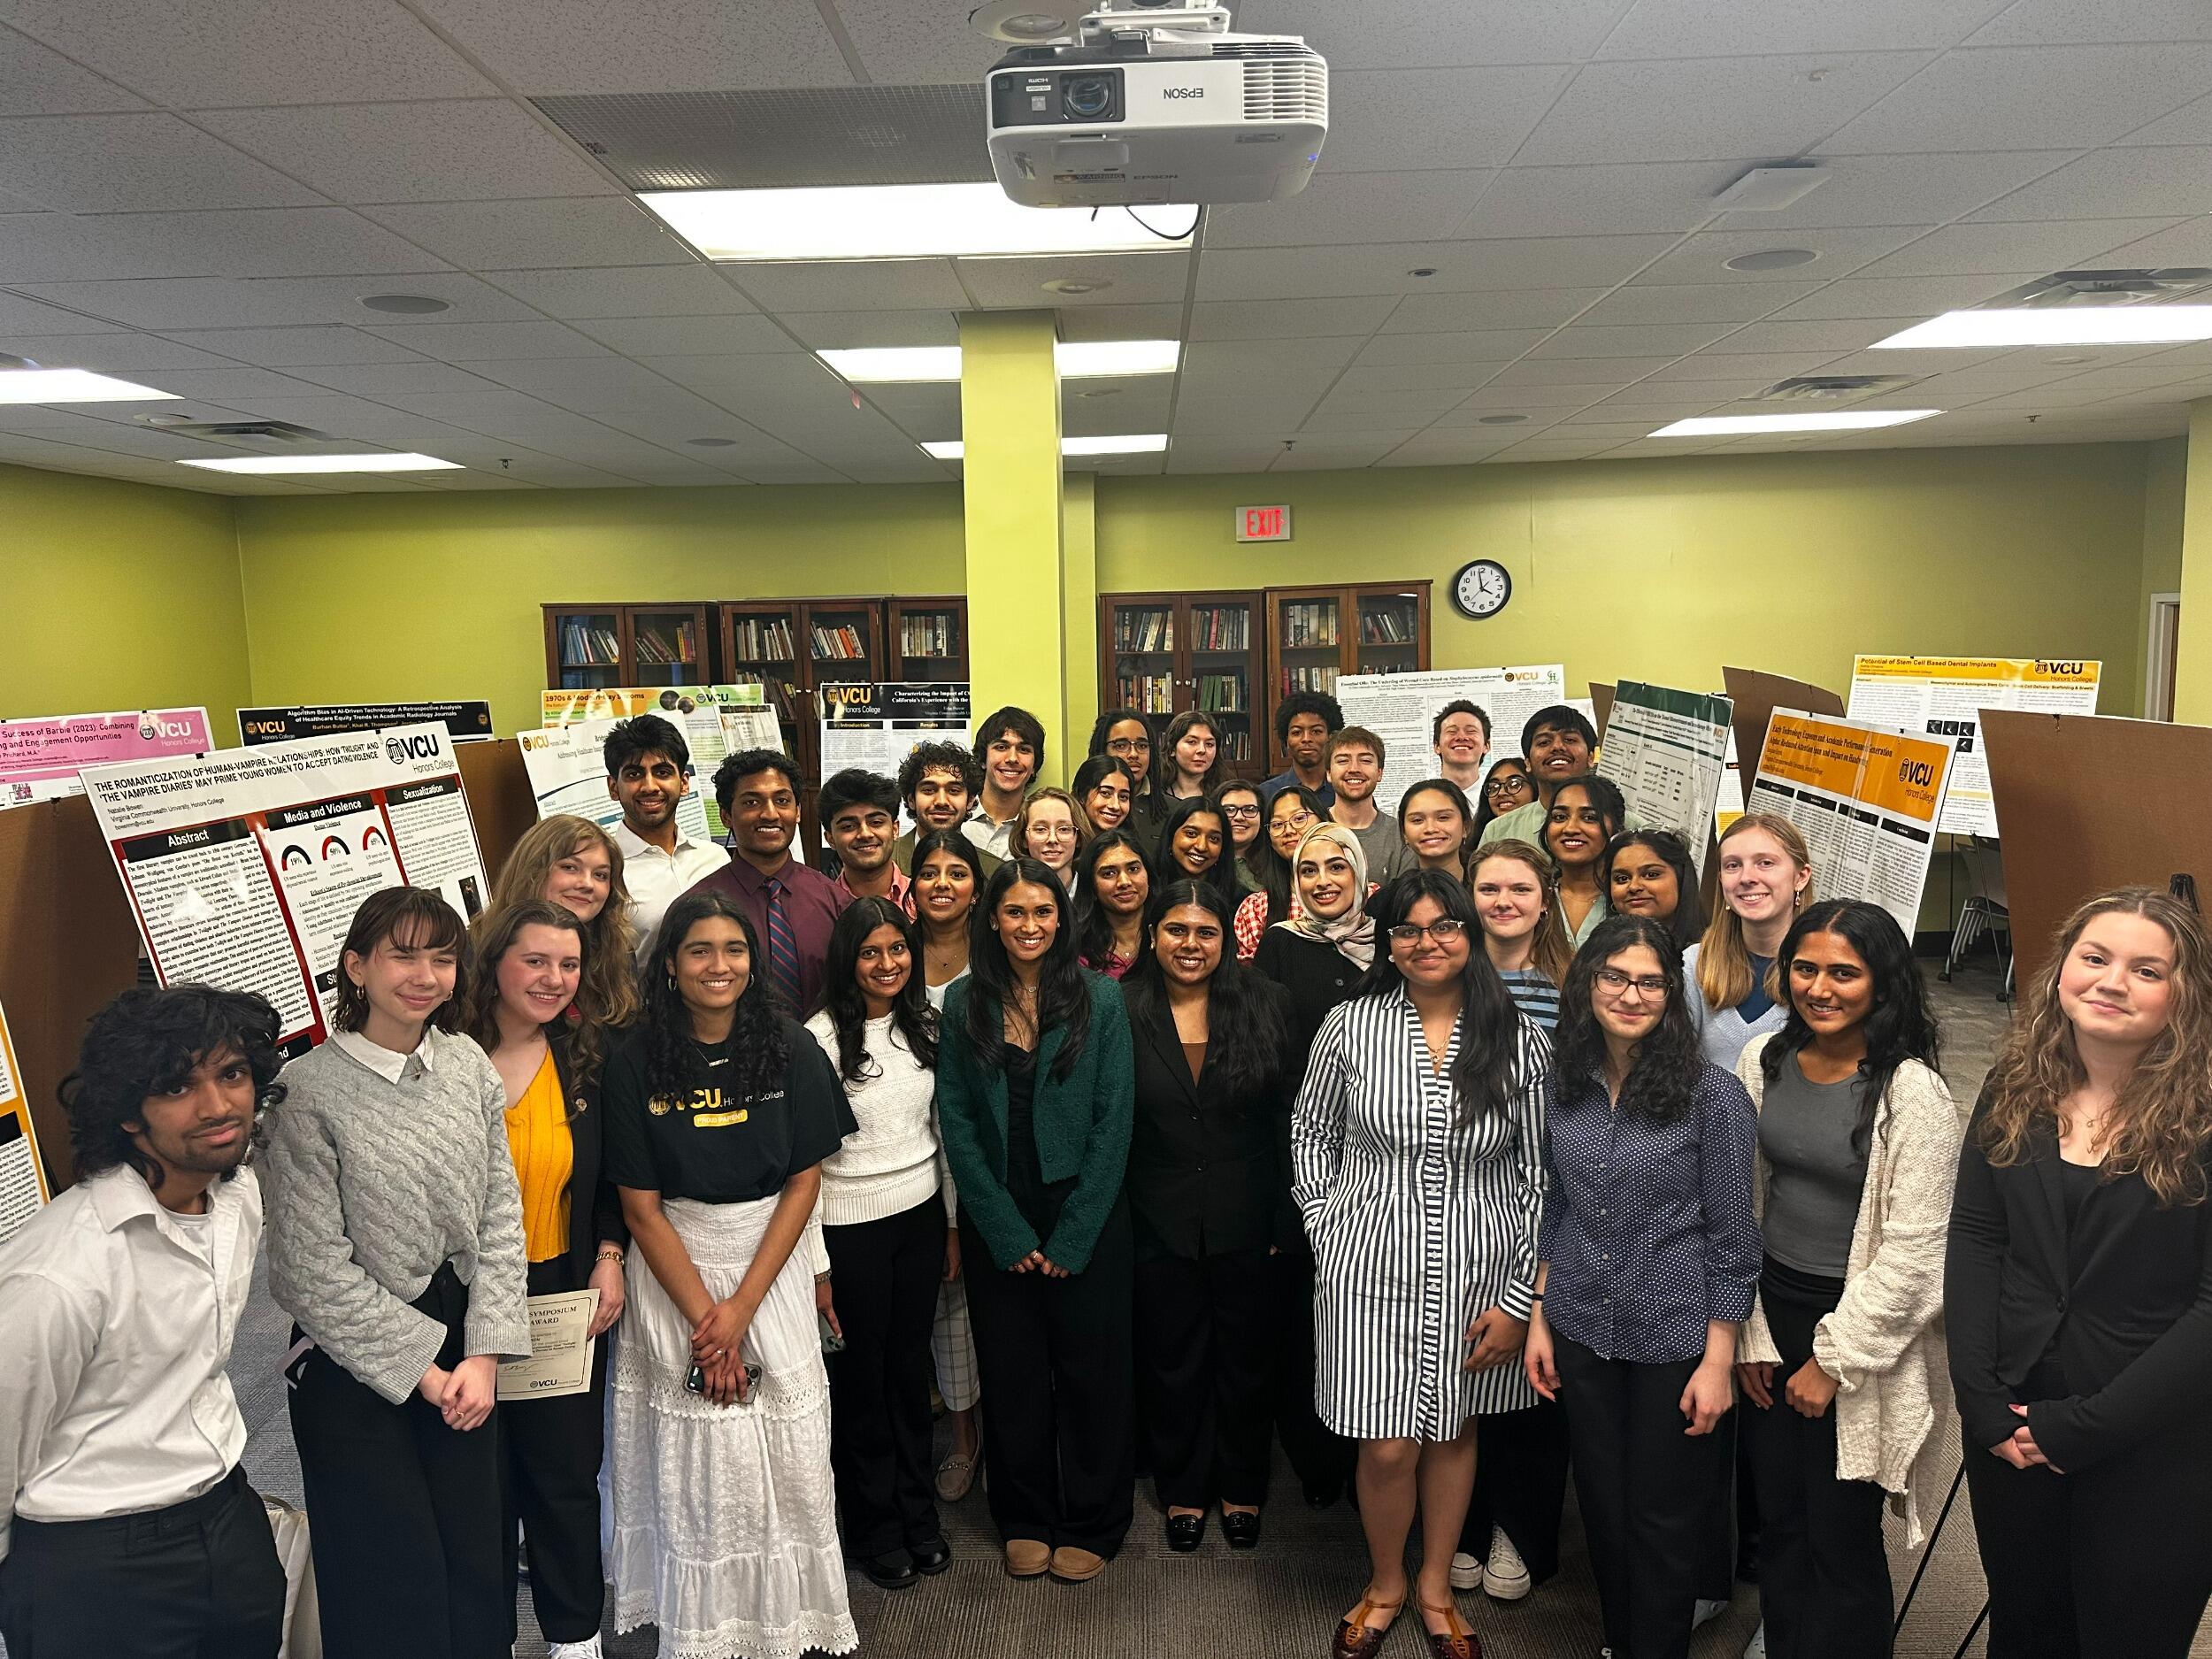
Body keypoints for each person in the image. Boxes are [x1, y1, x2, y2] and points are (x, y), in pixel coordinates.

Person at [262, 887, 531, 1659]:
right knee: (387, 1571)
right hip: (355, 1360)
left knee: (477, 1556)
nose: (425, 974)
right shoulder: (307, 1089)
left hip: (466, 1341)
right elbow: (308, 1268)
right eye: (402, 954)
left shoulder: (466, 1062)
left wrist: (482, 1356)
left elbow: (498, 1214)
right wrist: (427, 1371)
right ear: (357, 966)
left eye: (441, 956)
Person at [1946, 887, 2212, 1659]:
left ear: (2185, 994)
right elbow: (1976, 1236)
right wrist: (1982, 1401)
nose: (2111, 980)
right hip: (2014, 1421)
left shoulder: (2203, 1117)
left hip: (2156, 1436)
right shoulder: (2013, 1087)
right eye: (2094, 958)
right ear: (2062, 970)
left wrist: (2084, 1427)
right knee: (2027, 1626)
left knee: (2126, 1636)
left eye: (2146, 969)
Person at [1293, 870, 1549, 1659]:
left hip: (1482, 1273)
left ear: (1470, 934)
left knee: (1452, 1429)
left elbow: (1542, 1173)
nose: (1427, 941)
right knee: (1385, 1443)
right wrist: (1327, 1226)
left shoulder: (1519, 1037)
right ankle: (1385, 1584)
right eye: (1408, 928)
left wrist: (1517, 1299)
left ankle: (1436, 1586)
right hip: (1367, 1263)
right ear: (1389, 941)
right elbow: (1310, 1134)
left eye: (1445, 926)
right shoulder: (1350, 1025)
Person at [601, 892, 859, 1657]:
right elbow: (640, 1210)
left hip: (765, 1265)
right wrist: (706, 1324)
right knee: (703, 1461)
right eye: (699, 951)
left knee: (789, 1451)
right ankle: (705, 1627)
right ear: (670, 967)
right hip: (673, 1264)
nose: (720, 965)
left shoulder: (789, 1045)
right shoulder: (634, 1059)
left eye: (734, 949)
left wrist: (741, 1307)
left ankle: (785, 1619)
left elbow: (805, 1181)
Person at [0, 986, 289, 1659]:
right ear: (128, 1113)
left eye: (232, 1073)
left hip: (227, 1517)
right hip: (94, 1562)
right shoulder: (58, 1275)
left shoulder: (235, 1197)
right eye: (178, 1086)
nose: (218, 1105)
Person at [1525, 914, 1761, 1659]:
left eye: (1650, 981)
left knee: (1662, 1517)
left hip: (1676, 1336)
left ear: (1672, 992)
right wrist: (1538, 1316)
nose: (1631, 994)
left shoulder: (1713, 1097)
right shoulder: (1562, 1085)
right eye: (1615, 977)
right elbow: (1553, 1206)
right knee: (1603, 1506)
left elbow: (1735, 1238)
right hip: (1580, 1321)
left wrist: (1719, 1359)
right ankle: (1624, 1642)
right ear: (1589, 983)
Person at [1732, 899, 1956, 1659]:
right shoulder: (1760, 1062)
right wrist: (1753, 1333)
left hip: (1857, 1332)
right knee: (1782, 1523)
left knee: (1840, 1533)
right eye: (1805, 967)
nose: (1819, 986)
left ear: (1882, 982)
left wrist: (1832, 1363)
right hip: (1771, 1314)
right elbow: (1740, 1208)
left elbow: (1918, 1257)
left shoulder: (1911, 1092)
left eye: (1843, 972)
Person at [936, 859, 1138, 1585]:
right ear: (993, 919)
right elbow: (956, 1120)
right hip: (1002, 1211)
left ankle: (1093, 1517)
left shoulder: (1101, 999)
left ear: (1062, 919)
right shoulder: (963, 1001)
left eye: (1043, 913)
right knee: (1012, 1370)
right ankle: (1023, 1515)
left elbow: (1115, 1123)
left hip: (1086, 1208)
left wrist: (1074, 1232)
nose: (1030, 925)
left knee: (1092, 1372)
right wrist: (1004, 1228)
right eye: (1015, 912)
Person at [463, 900, 629, 1659]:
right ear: (495, 959)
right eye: (535, 961)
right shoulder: (445, 1054)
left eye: (568, 964)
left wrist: (609, 1251)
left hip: (563, 1286)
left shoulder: (588, 1053)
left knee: (563, 1473)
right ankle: (482, 1635)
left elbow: (611, 1176)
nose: (554, 979)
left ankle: (575, 1636)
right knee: (477, 1481)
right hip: (458, 1296)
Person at [1123, 879, 1294, 1553]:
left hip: (1250, 1215)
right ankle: (1184, 1488)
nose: (1190, 945)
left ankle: (1242, 1484)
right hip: (1155, 1216)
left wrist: (1288, 1215)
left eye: (1205, 932)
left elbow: (1290, 1119)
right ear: (1153, 935)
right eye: (1176, 930)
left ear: (1226, 940)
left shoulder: (1267, 1003)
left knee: (1247, 1360)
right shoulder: (1122, 1006)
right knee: (1173, 1361)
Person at [807, 898, 954, 1589]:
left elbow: (944, 1132)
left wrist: (951, 1221)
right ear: (849, 960)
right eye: (872, 952)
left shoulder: (927, 1024)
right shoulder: (818, 1040)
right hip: (848, 1230)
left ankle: (920, 1517)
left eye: (898, 949)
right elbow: (800, 1167)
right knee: (861, 1386)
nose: (888, 963)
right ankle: (875, 1529)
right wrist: (817, 1265)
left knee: (908, 1376)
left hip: (921, 1219)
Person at [1455, 842, 1575, 1601]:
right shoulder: (1448, 974)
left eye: (1519, 887)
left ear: (1544, 895)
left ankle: (1520, 1529)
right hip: (1465, 1198)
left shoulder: (1574, 981)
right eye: (1489, 887)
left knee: (1532, 1370)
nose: (1503, 900)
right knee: (1468, 1366)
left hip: (1550, 1186)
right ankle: (1462, 1522)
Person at [1250, 821, 1374, 1510]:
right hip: (1300, 1155)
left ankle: (1371, 1457)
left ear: (1360, 873)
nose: (1324, 879)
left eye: (1337, 866)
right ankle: (1318, 1461)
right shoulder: (1278, 946)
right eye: (1309, 869)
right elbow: (1267, 1068)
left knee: (1368, 1315)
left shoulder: (1388, 944)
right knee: (1303, 1317)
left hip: (1382, 1159)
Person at [906, 827, 990, 1501]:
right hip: (915, 1151)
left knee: (984, 1305)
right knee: (943, 1307)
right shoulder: (893, 955)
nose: (942, 882)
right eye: (928, 871)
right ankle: (963, 1440)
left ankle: (1003, 1428)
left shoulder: (996, 956)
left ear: (975, 886)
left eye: (956, 871)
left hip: (988, 1151)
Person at [685, 749, 851, 1018]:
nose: (770, 814)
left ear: (797, 811)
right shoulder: (696, 906)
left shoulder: (835, 901)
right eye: (752, 802)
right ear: (726, 815)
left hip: (824, 1054)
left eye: (782, 800)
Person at [486, 812, 640, 1030]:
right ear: (533, 870)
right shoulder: (477, 949)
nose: (587, 884)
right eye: (570, 867)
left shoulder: (618, 951)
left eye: (600, 875)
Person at [1686, 813, 1816, 1071]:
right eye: (1733, 865)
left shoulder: (1825, 972)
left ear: (1800, 877)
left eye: (1765, 863)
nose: (1747, 877)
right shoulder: (1694, 964)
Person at [602, 714, 728, 958]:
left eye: (662, 772)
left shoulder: (715, 859)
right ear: (613, 787)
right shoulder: (604, 870)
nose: (649, 786)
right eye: (634, 774)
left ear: (683, 783)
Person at [1479, 707, 1633, 851]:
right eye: (1544, 742)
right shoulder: (1499, 832)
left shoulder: (1630, 825)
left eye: (1570, 740)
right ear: (1528, 762)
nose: (1557, 747)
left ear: (1591, 757)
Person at [1232, 784, 1325, 959]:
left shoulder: (1365, 895)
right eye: (1277, 824)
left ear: (1324, 821)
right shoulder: (1255, 909)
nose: (1288, 830)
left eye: (1299, 818)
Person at [892, 741, 998, 879]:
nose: (941, 801)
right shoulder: (885, 860)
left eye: (953, 791)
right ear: (911, 800)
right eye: (929, 790)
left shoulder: (993, 871)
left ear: (970, 801)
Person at [1544, 775, 1626, 951]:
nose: (1570, 828)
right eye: (1559, 817)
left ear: (1617, 828)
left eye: (1589, 817)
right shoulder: (1533, 894)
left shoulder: (1630, 898)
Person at [1327, 726, 1410, 884]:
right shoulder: (1313, 828)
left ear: (1380, 772)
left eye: (1365, 760)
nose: (1354, 769)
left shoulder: (1400, 835)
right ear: (1328, 773)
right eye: (1343, 761)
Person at [1605, 828, 1707, 956]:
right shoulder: (1598, 955)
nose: (1634, 887)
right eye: (1622, 879)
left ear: (1681, 879)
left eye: (1651, 874)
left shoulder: (1710, 958)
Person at [821, 767, 909, 909]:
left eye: (876, 823)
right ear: (830, 838)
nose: (865, 834)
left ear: (895, 829)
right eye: (849, 826)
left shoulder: (921, 900)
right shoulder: (821, 908)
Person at [1073, 827, 1153, 979]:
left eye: (1133, 869)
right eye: (1109, 873)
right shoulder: (1077, 950)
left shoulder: (1171, 934)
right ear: (1092, 885)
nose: (1124, 882)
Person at [969, 705, 1045, 860]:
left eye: (1024, 749)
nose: (1012, 758)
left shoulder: (1040, 830)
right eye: (1001, 747)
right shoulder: (956, 819)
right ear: (983, 759)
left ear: (1034, 767)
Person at [1087, 708, 1163, 849]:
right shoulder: (1081, 807)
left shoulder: (1170, 810)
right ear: (1102, 750)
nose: (1134, 754)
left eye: (1142, 746)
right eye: (1121, 745)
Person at [1154, 793, 1240, 908]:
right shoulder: (1147, 891)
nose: (1201, 846)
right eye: (1191, 834)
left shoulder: (1240, 901)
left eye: (1214, 839)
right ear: (1170, 837)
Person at [1264, 688, 1342, 809]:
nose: (1306, 739)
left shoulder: (1345, 790)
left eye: (1316, 731)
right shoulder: (1266, 794)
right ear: (1286, 739)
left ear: (1331, 737)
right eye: (1297, 732)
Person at [1010, 787, 1089, 894]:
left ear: (1078, 838)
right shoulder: (1008, 895)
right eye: (1040, 829)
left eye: (1064, 829)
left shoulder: (1097, 896)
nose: (1052, 839)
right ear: (1023, 839)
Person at [1398, 777, 1477, 880]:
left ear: (1465, 827)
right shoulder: (1393, 895)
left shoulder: (1488, 886)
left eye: (1443, 818)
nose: (1430, 829)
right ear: (1404, 832)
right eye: (1417, 820)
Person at [1158, 709, 1226, 803]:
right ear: (1172, 748)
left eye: (1209, 744)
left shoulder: (1225, 796)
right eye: (1192, 742)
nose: (1202, 750)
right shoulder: (1156, 794)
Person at [1217, 779, 1269, 895]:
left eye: (1249, 810)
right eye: (1229, 810)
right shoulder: (1204, 861)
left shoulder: (1275, 863)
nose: (1239, 817)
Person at [1432, 701, 1492, 796]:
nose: (1461, 737)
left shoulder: (1498, 799)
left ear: (1486, 745)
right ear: (1437, 746)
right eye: (1452, 731)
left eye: (1471, 731)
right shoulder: (1417, 802)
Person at [1072, 753, 1137, 840]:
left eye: (1123, 797)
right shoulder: (1062, 846)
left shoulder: (1129, 850)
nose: (1115, 806)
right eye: (1105, 793)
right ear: (1082, 795)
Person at [1471, 757, 1536, 841]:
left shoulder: (1548, 833)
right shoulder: (1481, 839)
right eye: (1493, 787)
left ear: (1535, 787)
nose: (1501, 793)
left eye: (1514, 785)